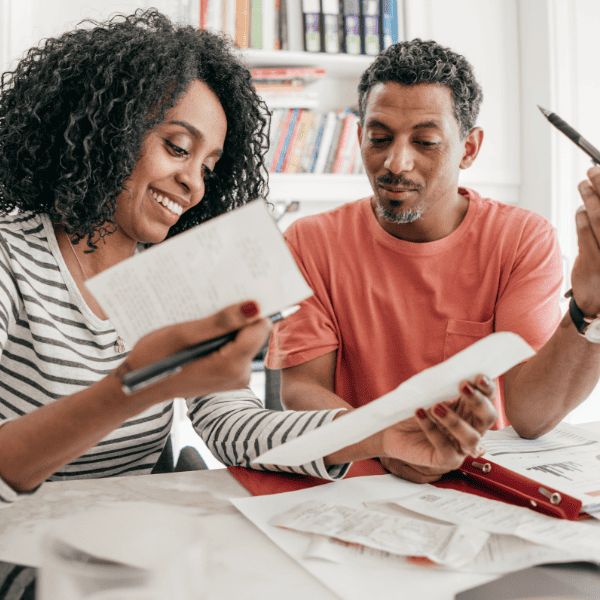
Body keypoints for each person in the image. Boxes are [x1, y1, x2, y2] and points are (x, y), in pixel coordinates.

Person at [265, 38, 600, 484]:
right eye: (379, 138)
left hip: (475, 479)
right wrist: (385, 442)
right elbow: (302, 388)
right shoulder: (310, 241)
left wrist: (591, 306)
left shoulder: (521, 238)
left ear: (469, 149)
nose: (396, 163)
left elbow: (530, 417)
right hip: (358, 476)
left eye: (425, 142)